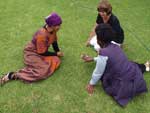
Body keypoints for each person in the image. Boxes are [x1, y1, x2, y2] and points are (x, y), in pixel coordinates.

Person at [82, 23, 150, 107]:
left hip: (123, 86)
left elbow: (98, 72)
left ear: (99, 40)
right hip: (135, 76)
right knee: (130, 64)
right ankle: (146, 67)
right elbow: (107, 59)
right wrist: (93, 59)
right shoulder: (115, 46)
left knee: (106, 77)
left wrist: (91, 84)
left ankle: (146, 67)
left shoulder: (103, 52)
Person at [0, 12, 63, 86]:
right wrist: (55, 53)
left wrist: (57, 51)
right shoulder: (42, 35)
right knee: (42, 73)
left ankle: (37, 66)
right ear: (52, 25)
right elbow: (42, 52)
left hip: (41, 51)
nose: (60, 27)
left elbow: (54, 41)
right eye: (58, 25)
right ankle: (13, 75)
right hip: (31, 53)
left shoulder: (53, 30)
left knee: (56, 60)